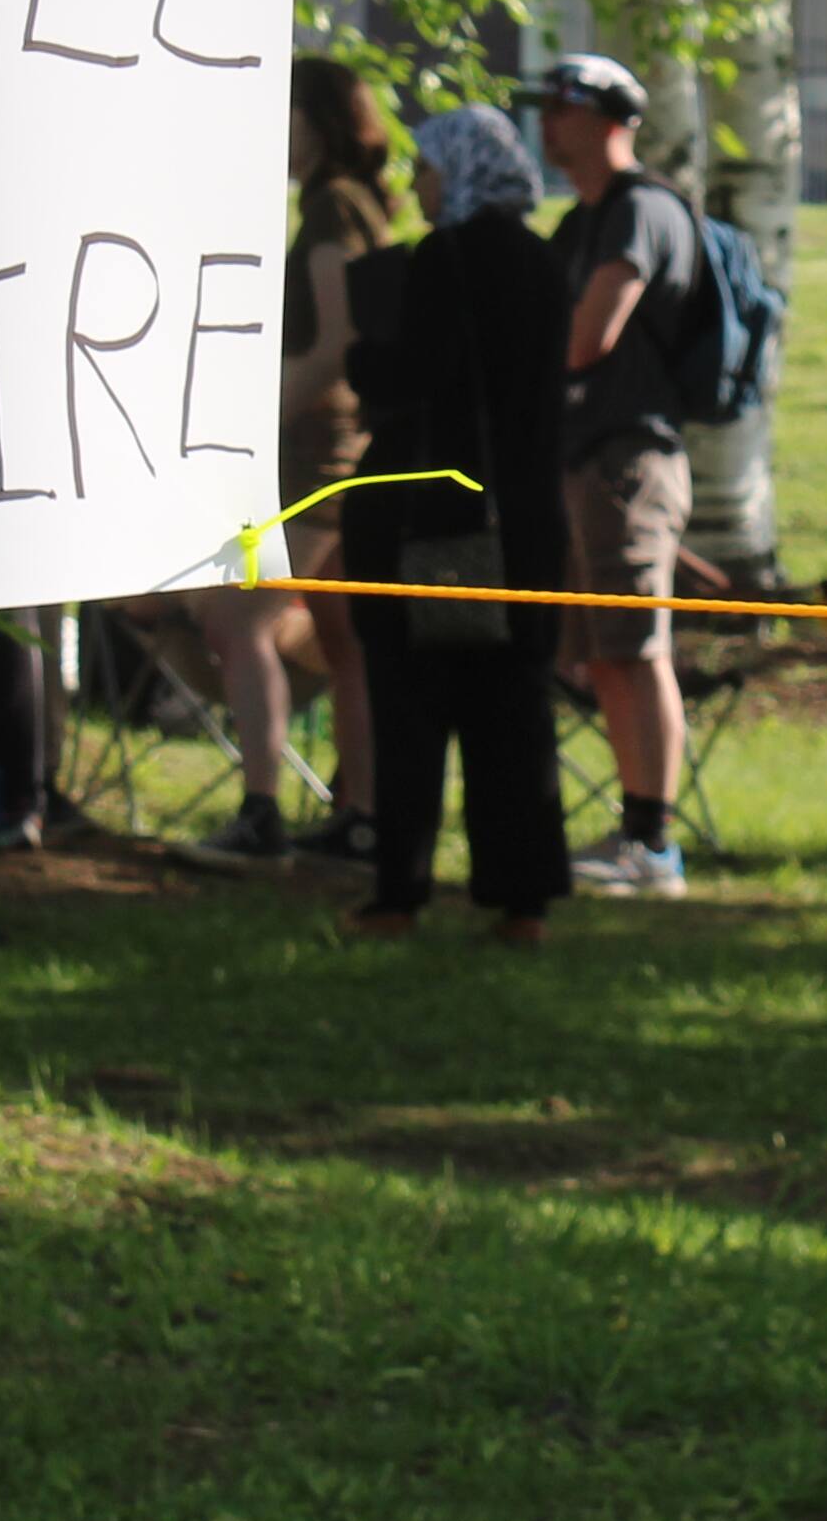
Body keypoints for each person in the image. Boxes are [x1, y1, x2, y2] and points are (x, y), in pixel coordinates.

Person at [344, 105, 575, 939]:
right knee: (513, 713)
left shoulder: (444, 260)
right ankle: (523, 899)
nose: (419, 184)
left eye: (430, 168)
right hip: (527, 521)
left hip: (436, 517)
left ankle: (399, 891)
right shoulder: (546, 263)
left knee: (413, 704)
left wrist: (358, 354)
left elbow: (409, 376)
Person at [181, 56, 394, 862]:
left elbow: (339, 341)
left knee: (238, 622)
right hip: (349, 453)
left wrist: (249, 418)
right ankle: (363, 815)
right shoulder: (355, 201)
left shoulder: (332, 206)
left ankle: (261, 811)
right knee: (345, 642)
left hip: (318, 459)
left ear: (320, 118)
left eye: (286, 112)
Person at [530, 49, 712, 897]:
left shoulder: (640, 210)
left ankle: (653, 842)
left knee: (637, 648)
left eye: (561, 106)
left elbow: (584, 337)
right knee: (605, 655)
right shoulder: (584, 218)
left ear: (610, 116)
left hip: (630, 461)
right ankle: (639, 833)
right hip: (589, 460)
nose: (546, 122)